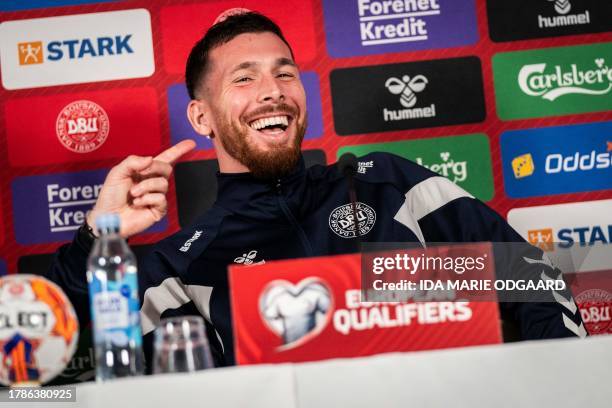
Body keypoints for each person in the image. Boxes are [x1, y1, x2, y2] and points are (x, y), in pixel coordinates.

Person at [46, 11, 585, 368]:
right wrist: (98, 234)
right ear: (201, 117)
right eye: (243, 78)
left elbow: (530, 275)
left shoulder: (389, 186)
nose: (272, 93)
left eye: (285, 74)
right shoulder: (183, 268)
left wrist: (556, 385)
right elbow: (47, 352)